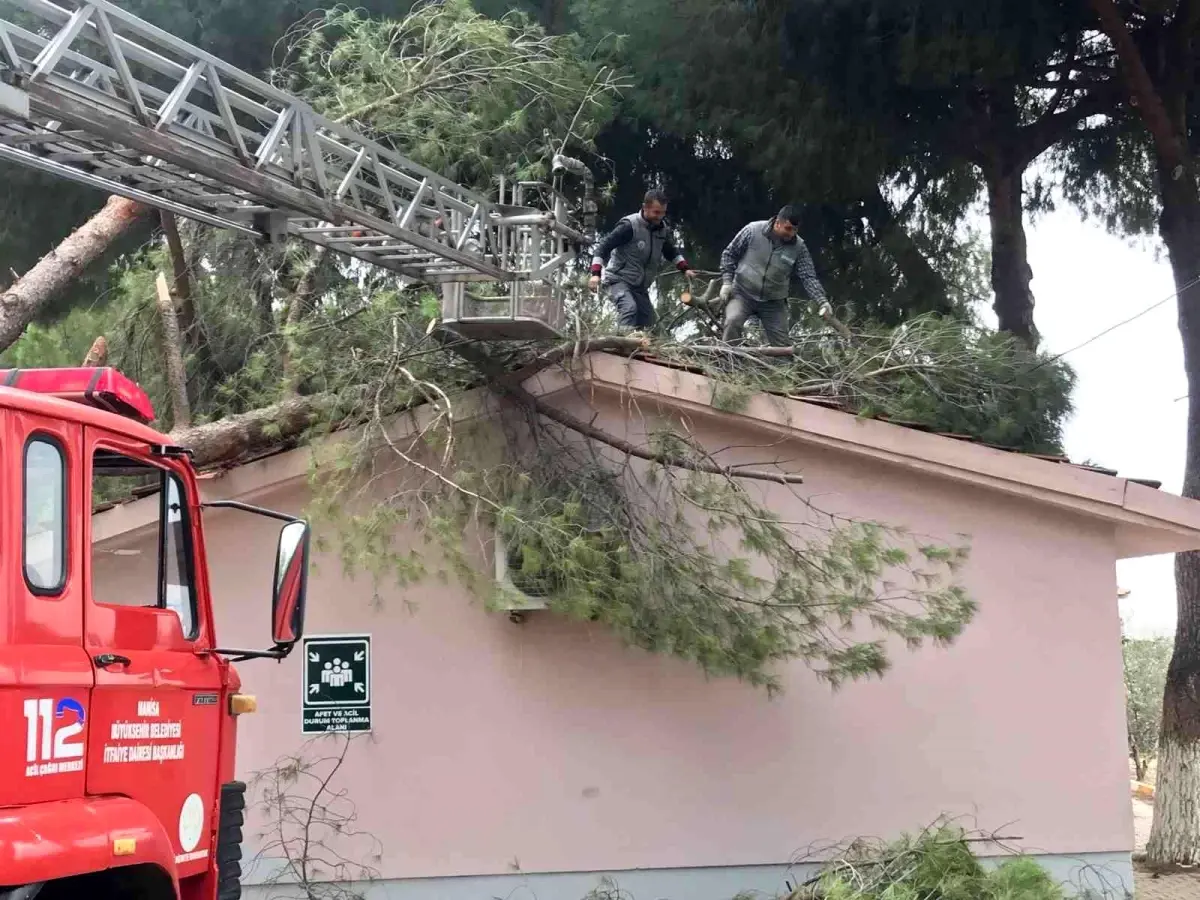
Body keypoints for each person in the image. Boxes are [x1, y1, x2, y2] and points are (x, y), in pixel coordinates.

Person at [718, 205, 831, 346]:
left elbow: (808, 276)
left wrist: (822, 301)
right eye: (788, 229)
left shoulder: (799, 247)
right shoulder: (752, 230)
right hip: (742, 293)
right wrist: (727, 282)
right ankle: (728, 363)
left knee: (782, 345)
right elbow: (729, 254)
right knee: (732, 322)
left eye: (795, 230)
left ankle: (781, 367)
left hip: (773, 302)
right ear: (777, 223)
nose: (792, 234)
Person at [589, 189, 695, 330]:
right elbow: (603, 247)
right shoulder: (629, 226)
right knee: (629, 309)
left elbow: (671, 251)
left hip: (640, 287)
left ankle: (638, 349)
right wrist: (595, 275)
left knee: (649, 324)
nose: (660, 217)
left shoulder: (661, 230)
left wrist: (685, 269)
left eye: (663, 213)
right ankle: (621, 346)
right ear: (645, 207)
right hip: (618, 280)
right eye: (656, 212)